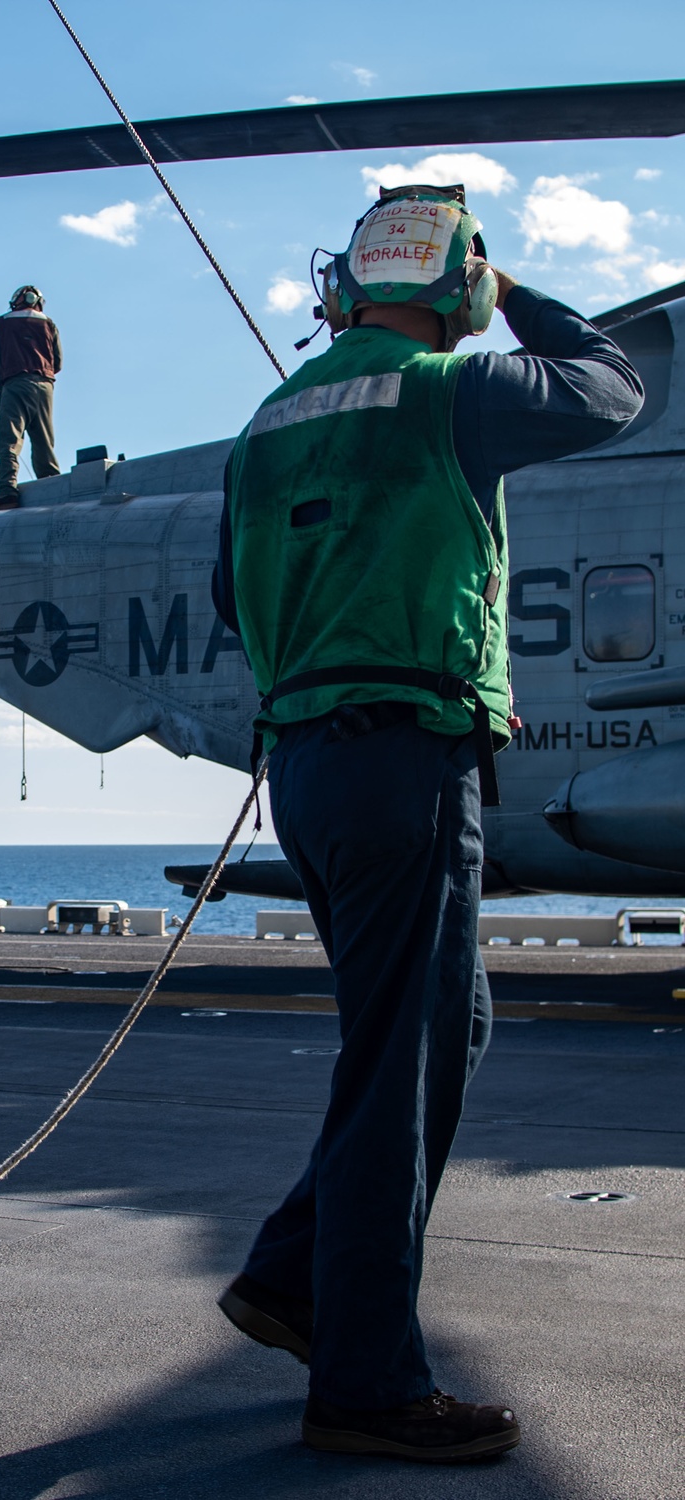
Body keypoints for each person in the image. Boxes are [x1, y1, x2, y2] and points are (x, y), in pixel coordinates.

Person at [212, 183, 644, 1463]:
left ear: (338, 289)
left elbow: (235, 612)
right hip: (402, 760)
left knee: (443, 1029)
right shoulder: (451, 390)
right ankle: (367, 1385)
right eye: (470, 285)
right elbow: (611, 383)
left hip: (308, 767)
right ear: (457, 287)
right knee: (399, 1067)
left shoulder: (265, 419)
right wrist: (510, 294)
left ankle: (294, 1275)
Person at [0, 284, 62, 508]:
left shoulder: (2, 323)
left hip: (15, 385)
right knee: (44, 441)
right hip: (45, 386)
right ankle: (53, 487)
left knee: (9, 441)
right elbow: (58, 361)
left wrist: (2, 385)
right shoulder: (49, 324)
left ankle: (8, 492)